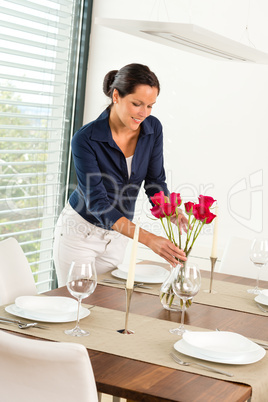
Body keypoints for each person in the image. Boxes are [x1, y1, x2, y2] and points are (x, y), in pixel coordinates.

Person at [53, 63, 187, 287]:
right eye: (137, 104)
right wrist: (149, 239)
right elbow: (96, 202)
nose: (144, 113)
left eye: (150, 106)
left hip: (117, 237)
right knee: (76, 306)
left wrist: (168, 210)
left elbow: (154, 181)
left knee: (106, 307)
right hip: (80, 235)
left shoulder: (153, 129)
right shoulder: (86, 139)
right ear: (116, 96)